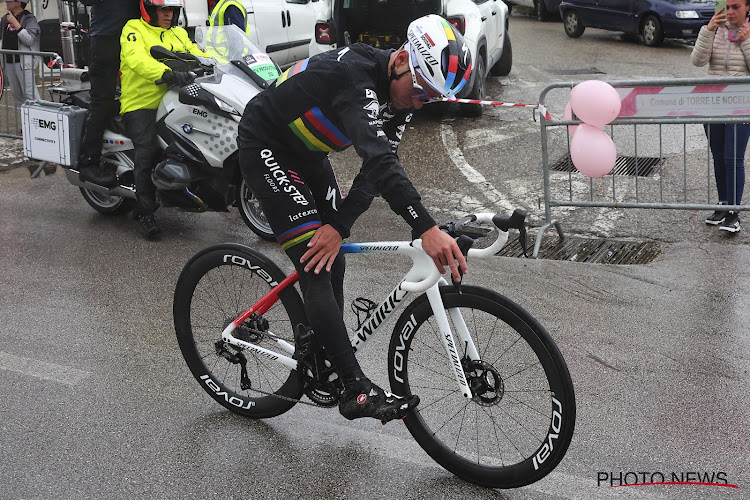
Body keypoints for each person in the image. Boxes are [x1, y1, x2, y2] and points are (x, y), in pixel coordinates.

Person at [237, 14, 471, 422]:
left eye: (429, 98)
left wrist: (339, 226)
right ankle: (353, 388)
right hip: (265, 144)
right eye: (419, 91)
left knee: (335, 252)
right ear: (401, 59)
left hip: (307, 152)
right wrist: (426, 227)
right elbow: (378, 159)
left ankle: (319, 343)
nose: (419, 102)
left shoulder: (405, 90)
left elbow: (377, 171)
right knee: (316, 262)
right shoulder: (355, 79)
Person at [119, 0, 210, 239]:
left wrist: (215, 64)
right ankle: (145, 211)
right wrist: (167, 74)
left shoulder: (178, 33)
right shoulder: (133, 29)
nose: (168, 14)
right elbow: (137, 59)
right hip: (142, 102)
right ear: (148, 10)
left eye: (172, 9)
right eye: (162, 9)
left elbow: (197, 53)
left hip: (173, 101)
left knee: (191, 142)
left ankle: (178, 188)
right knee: (147, 151)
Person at [691, 0, 750, 233]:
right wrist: (708, 31)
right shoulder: (714, 30)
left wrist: (746, 41)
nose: (730, 12)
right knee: (718, 155)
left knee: (732, 157)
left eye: (736, 7)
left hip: (740, 106)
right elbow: (697, 61)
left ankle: (734, 214)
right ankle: (723, 204)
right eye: (726, 7)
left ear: (747, 8)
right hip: (713, 104)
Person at [76, 0, 140, 187]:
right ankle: (88, 162)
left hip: (136, 37)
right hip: (106, 39)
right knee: (102, 101)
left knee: (140, 96)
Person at [0, 0, 40, 106]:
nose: (6, 3)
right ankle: (23, 120)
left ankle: (36, 118)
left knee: (30, 95)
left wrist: (16, 24)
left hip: (23, 62)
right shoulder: (5, 19)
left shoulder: (29, 19)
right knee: (16, 94)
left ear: (18, 3)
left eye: (10, 1)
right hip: (9, 62)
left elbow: (30, 40)